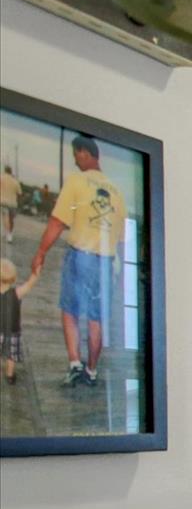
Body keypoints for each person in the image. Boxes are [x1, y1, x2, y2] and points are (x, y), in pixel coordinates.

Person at [27, 133, 124, 387]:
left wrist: (40, 252)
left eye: (76, 155)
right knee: (96, 319)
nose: (75, 161)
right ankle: (91, 371)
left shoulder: (77, 181)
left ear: (84, 152)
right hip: (106, 261)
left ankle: (74, 365)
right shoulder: (118, 195)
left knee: (70, 311)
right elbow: (121, 241)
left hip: (80, 257)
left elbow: (58, 222)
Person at [0, 257, 44, 384]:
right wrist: (36, 271)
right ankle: (10, 375)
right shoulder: (16, 293)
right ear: (13, 278)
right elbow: (30, 283)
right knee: (11, 356)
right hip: (13, 331)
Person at [0, 163, 19, 244]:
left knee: (5, 218)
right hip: (13, 203)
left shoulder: (1, 177)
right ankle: (10, 234)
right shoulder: (15, 181)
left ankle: (7, 234)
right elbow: (19, 193)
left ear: (5, 170)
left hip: (3, 201)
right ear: (11, 172)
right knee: (11, 220)